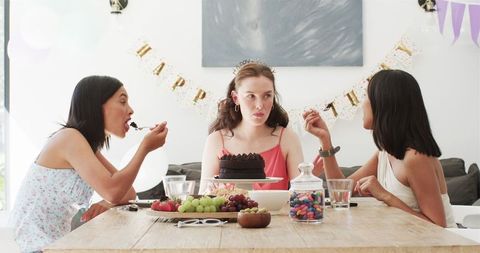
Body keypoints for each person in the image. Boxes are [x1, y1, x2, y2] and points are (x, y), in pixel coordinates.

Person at [10, 75, 169, 252]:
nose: (130, 110)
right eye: (122, 101)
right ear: (96, 106)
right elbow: (114, 192)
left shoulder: (84, 144)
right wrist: (145, 147)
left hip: (56, 245)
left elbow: (127, 193)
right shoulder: (69, 138)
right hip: (36, 248)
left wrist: (107, 203)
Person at [303, 69, 456, 228]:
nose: (362, 103)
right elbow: (341, 192)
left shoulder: (416, 158)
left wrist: (384, 195)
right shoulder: (385, 152)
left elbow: (437, 228)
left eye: (366, 96)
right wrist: (325, 139)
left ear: (384, 103)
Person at [199, 62, 306, 194]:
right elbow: (203, 196)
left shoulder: (288, 138)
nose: (260, 105)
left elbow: (302, 195)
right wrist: (212, 191)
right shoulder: (216, 140)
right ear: (236, 98)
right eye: (251, 96)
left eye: (267, 96)